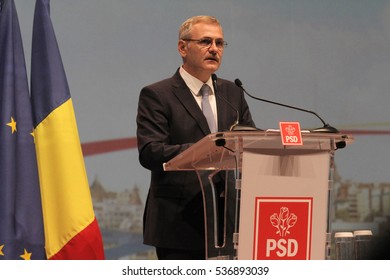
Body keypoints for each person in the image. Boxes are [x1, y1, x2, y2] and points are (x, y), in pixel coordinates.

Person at [136, 15, 255, 260]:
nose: (214, 49)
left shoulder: (233, 93)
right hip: (179, 225)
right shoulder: (157, 95)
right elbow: (150, 152)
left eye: (220, 43)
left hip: (230, 223)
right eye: (205, 41)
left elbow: (249, 144)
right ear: (183, 47)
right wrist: (205, 150)